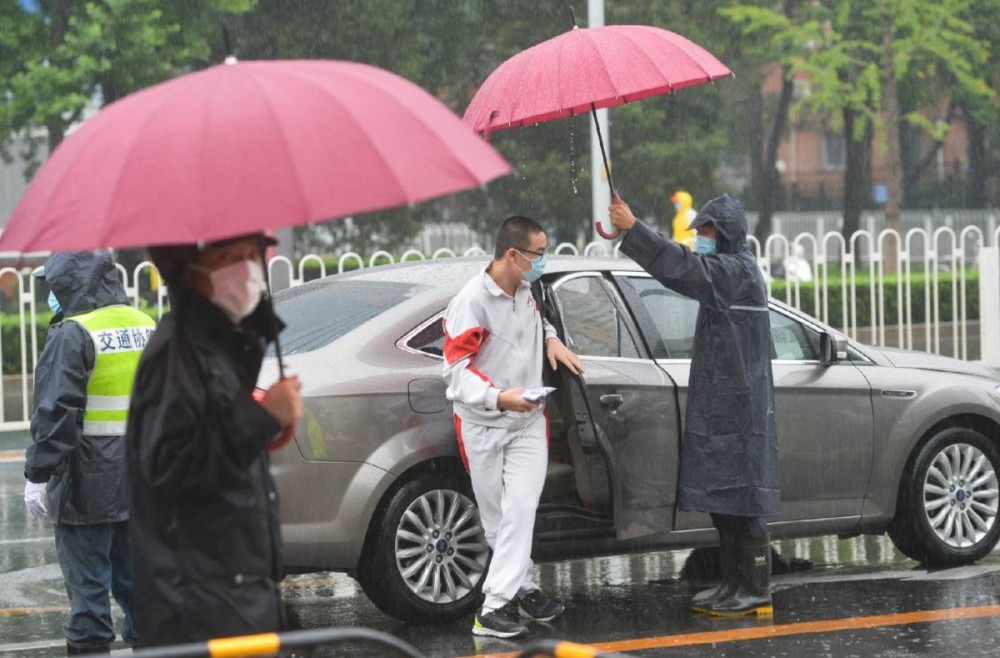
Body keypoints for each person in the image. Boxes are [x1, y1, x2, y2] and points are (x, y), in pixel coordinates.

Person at [126, 233, 303, 646]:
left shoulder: (217, 347)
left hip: (230, 593)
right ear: (193, 272)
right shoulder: (178, 355)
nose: (246, 269)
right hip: (200, 605)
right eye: (229, 257)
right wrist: (262, 417)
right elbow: (173, 465)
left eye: (250, 255)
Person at [609, 193, 779, 617]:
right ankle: (732, 584)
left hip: (740, 408)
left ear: (725, 235)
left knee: (744, 499)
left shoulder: (735, 270)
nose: (700, 240)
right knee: (724, 501)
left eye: (706, 233)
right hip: (721, 403)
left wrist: (634, 229)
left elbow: (684, 268)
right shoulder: (726, 270)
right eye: (699, 233)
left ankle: (756, 589)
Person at [443, 216, 584, 638]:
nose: (543, 262)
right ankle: (524, 587)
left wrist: (553, 338)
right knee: (496, 519)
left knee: (521, 508)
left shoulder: (529, 289)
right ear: (513, 254)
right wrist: (498, 398)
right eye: (538, 255)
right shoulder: (472, 303)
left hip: (527, 423)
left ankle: (491, 610)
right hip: (482, 424)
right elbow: (455, 372)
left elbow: (537, 322)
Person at [23, 250, 154, 654]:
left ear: (73, 281)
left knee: (88, 597)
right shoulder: (146, 324)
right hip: (143, 479)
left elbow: (56, 414)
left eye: (56, 284)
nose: (52, 293)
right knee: (140, 590)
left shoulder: (73, 333)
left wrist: (37, 476)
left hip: (87, 483)